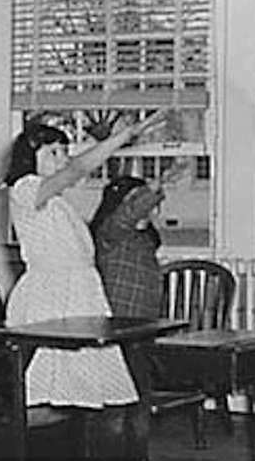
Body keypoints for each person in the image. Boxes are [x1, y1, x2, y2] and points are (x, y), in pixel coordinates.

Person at [3, 110, 165, 459]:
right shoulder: (25, 189)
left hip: (80, 296)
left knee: (96, 391)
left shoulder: (57, 203)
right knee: (46, 391)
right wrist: (121, 137)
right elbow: (78, 168)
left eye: (64, 151)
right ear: (29, 159)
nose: (63, 160)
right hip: (51, 300)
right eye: (53, 153)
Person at [88, 174, 166, 460]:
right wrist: (151, 191)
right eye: (135, 201)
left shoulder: (143, 241)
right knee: (114, 410)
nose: (146, 207)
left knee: (140, 406)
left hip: (141, 334)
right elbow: (124, 218)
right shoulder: (110, 234)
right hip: (117, 333)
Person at [90, 175, 165, 319]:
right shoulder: (110, 234)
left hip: (143, 317)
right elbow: (127, 214)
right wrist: (154, 187)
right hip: (116, 318)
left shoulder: (147, 240)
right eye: (134, 198)